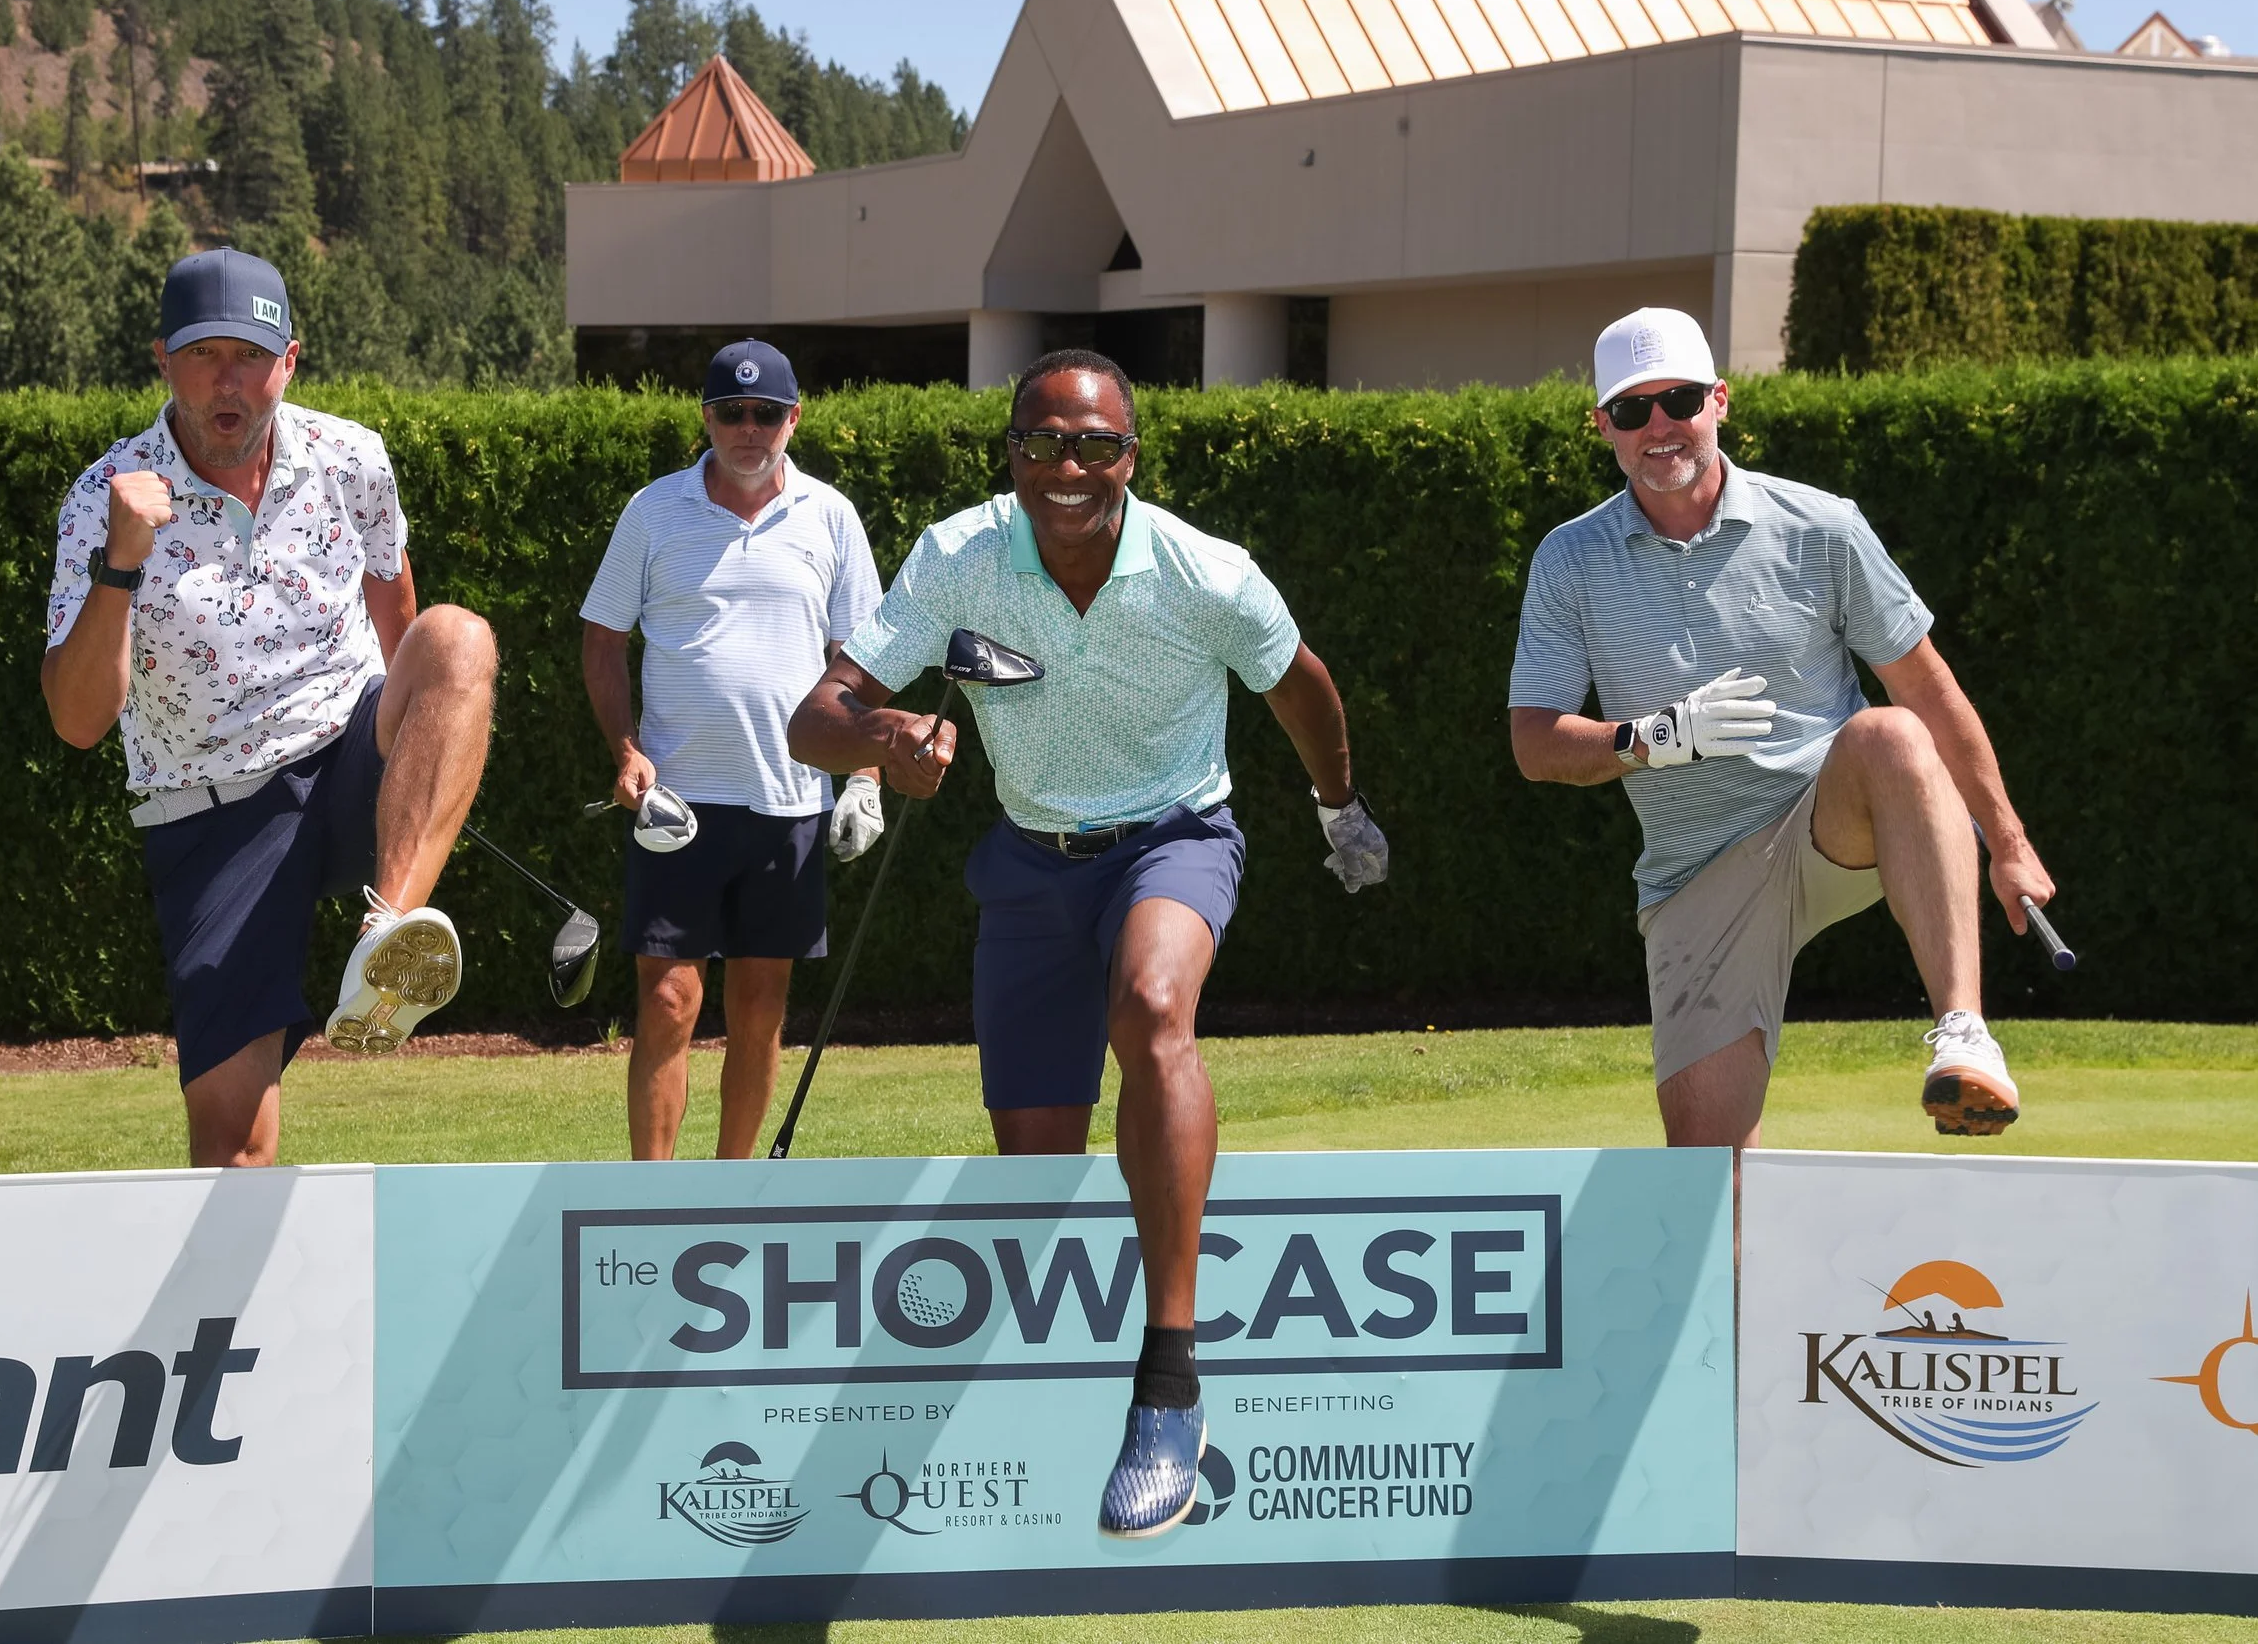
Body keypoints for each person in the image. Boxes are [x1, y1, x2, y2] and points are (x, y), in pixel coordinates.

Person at [786, 347, 1388, 1539]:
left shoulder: (1204, 571)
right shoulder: (958, 558)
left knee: (1154, 1009)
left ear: (1131, 455)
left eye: (1095, 444)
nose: (1067, 467)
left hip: (1175, 836)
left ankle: (1170, 1380)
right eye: (1041, 442)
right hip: (1029, 867)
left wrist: (1339, 807)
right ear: (1010, 450)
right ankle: (1057, 1423)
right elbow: (817, 715)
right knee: (1034, 1178)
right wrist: (883, 738)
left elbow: (1301, 685)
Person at [1508, 306, 2055, 1153]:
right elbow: (1535, 743)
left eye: (1680, 400)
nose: (1659, 426)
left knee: (1892, 733)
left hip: (1826, 824)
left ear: (1720, 401)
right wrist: (1654, 738)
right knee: (1709, 1173)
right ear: (1603, 426)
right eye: (1632, 409)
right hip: (1696, 875)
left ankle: (1964, 1033)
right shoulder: (1568, 559)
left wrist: (2009, 842)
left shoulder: (1823, 526)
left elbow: (1927, 688)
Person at [41, 247, 498, 1168]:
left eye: (250, 355)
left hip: (346, 756)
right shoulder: (102, 496)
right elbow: (77, 721)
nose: (228, 381)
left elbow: (402, 618)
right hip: (213, 810)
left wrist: (422, 756)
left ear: (289, 360)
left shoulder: (352, 458)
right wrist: (119, 564)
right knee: (234, 1145)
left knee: (460, 639)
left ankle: (386, 938)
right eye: (203, 354)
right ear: (163, 360)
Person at [581, 340, 886, 1161]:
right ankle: (653, 1200)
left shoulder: (831, 515)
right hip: (675, 802)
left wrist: (864, 776)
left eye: (766, 413)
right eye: (731, 412)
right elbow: (603, 639)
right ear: (707, 418)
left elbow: (862, 660)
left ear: (794, 418)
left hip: (791, 799)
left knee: (759, 1008)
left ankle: (734, 1194)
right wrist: (625, 750)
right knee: (668, 1002)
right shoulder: (654, 511)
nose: (749, 428)